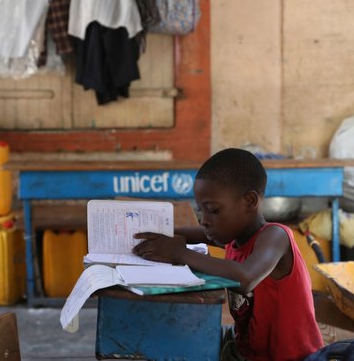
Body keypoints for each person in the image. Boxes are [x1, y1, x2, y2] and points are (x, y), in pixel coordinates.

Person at [133, 148, 323, 361]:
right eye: (201, 210)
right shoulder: (233, 237)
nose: (204, 220)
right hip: (247, 350)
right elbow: (192, 233)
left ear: (250, 201)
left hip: (293, 358)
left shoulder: (275, 236)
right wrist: (157, 236)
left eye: (213, 210)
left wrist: (179, 253)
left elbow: (245, 278)